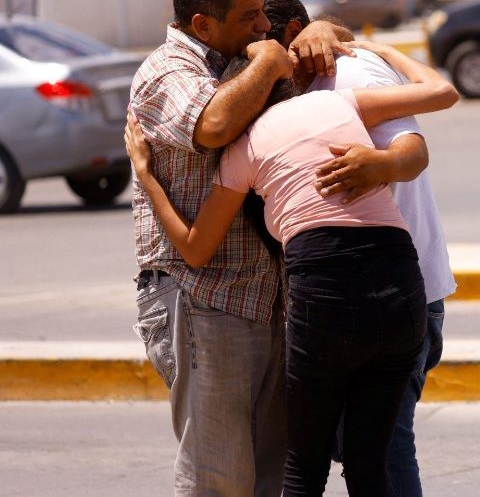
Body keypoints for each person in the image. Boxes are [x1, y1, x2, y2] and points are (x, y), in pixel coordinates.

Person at [126, 39, 459, 496]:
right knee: (372, 463)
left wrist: (147, 177)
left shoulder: (243, 148)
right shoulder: (337, 103)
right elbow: (442, 91)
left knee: (304, 468)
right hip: (403, 289)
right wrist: (377, 49)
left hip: (327, 300)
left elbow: (195, 248)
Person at [128, 0, 351, 495]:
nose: (263, 25)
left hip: (265, 299)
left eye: (263, 13)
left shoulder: (235, 56)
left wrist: (319, 27)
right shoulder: (167, 70)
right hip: (204, 299)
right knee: (219, 478)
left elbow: (334, 46)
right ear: (202, 23)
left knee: (268, 477)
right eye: (249, 15)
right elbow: (214, 123)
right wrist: (271, 63)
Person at [261, 0, 455, 497]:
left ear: (291, 36)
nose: (253, 61)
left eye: (260, 45)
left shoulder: (350, 73)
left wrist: (383, 165)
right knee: (361, 454)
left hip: (392, 292)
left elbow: (412, 153)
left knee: (383, 453)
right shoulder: (292, 86)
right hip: (346, 294)